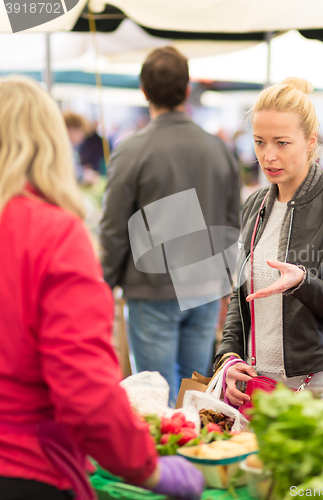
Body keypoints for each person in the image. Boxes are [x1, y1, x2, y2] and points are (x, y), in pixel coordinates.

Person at [0, 77, 203, 500]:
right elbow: (84, 389)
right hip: (26, 467)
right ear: (52, 143)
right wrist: (146, 470)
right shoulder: (52, 233)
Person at [214, 78, 323, 406]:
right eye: (259, 142)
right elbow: (240, 295)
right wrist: (228, 358)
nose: (268, 156)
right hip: (259, 396)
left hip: (321, 395)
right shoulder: (255, 205)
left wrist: (303, 283)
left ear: (310, 141)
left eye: (282, 143)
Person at [100, 47, 240, 407]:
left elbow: (114, 228)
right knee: (195, 396)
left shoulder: (132, 150)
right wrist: (226, 286)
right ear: (187, 87)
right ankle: (195, 463)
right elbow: (233, 222)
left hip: (152, 290)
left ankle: (164, 465)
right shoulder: (218, 149)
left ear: (144, 91)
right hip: (205, 288)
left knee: (153, 399)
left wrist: (106, 283)